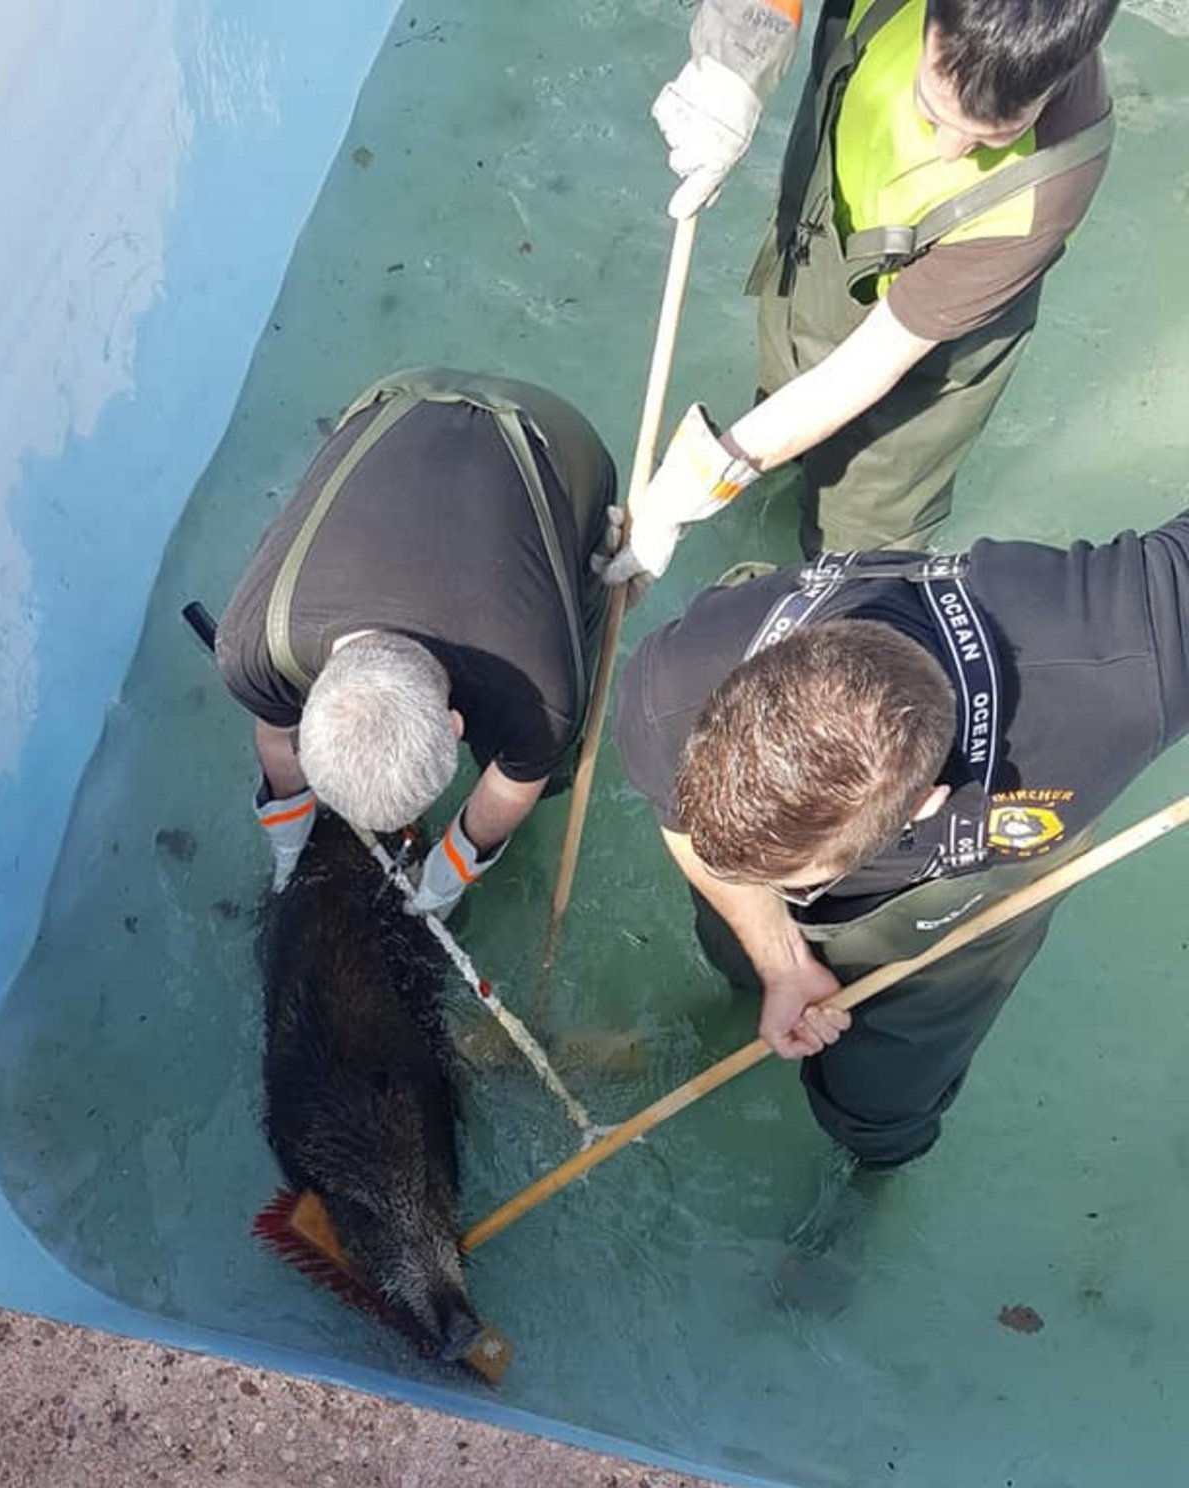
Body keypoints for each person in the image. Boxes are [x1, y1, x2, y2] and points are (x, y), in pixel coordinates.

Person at [613, 511, 1189, 1169]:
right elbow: (689, 833)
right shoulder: (671, 690)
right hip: (786, 818)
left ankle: (870, 1176)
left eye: (794, 880)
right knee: (736, 953)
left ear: (923, 807)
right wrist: (780, 959)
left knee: (881, 1096)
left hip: (981, 863)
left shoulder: (1123, 659)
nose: (774, 891)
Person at [606, 0, 1118, 585]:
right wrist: (734, 63)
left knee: (858, 555)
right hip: (823, 233)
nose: (950, 148)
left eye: (988, 140)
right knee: (785, 380)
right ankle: (779, 461)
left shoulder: (1046, 192)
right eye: (932, 110)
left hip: (929, 355)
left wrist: (701, 479)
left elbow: (864, 370)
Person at [214, 369, 616, 917]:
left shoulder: (542, 692)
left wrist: (449, 872)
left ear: (455, 725)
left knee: (545, 754)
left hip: (548, 441)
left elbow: (516, 784)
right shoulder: (254, 644)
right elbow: (276, 742)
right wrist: (287, 832)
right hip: (396, 399)